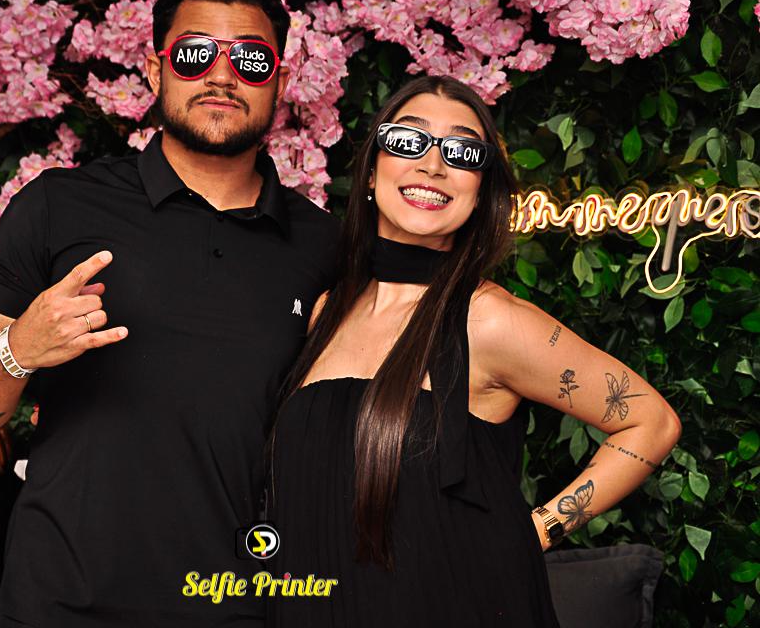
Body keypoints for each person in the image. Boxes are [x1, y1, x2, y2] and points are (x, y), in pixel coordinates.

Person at [0, 0, 339, 625]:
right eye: (195, 54)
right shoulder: (58, 207)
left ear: (281, 81)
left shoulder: (322, 246)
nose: (222, 75)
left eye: (250, 58)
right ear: (156, 71)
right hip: (61, 605)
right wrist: (18, 349)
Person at [262, 75, 682, 627]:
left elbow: (651, 421)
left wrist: (536, 530)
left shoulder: (488, 320)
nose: (433, 164)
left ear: (480, 191)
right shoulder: (326, 311)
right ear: (371, 172)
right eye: (408, 140)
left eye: (461, 152)